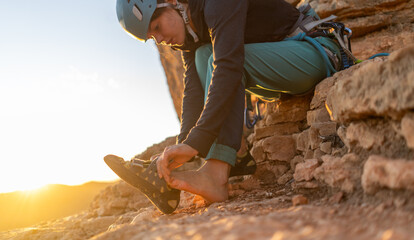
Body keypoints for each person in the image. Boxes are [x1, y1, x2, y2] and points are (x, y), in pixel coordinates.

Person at [112, 0, 344, 209]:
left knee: (219, 61)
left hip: (316, 51)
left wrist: (197, 143)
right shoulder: (190, 32)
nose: (160, 40)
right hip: (284, 69)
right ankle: (238, 155)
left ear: (170, 2)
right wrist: (178, 151)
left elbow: (229, 66)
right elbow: (193, 90)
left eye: (157, 29)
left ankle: (215, 175)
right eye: (153, 38)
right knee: (204, 55)